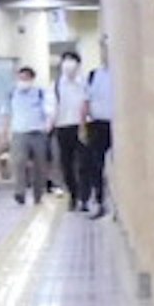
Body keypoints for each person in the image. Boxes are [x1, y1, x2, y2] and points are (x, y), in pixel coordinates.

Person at [75, 42, 114, 214]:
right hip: (98, 124)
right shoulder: (93, 75)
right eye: (103, 50)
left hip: (117, 124)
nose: (105, 54)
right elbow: (85, 102)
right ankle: (99, 200)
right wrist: (82, 126)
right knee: (95, 164)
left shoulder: (120, 74)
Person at [6, 63, 53, 202]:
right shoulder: (12, 93)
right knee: (18, 162)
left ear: (32, 79)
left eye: (26, 78)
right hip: (19, 133)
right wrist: (4, 132)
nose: (22, 81)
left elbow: (48, 112)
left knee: (40, 165)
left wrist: (47, 127)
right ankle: (19, 191)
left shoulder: (40, 93)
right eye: (20, 78)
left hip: (38, 133)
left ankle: (38, 194)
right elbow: (6, 113)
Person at [50, 47, 90, 212]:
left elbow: (88, 103)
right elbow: (51, 107)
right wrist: (50, 124)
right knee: (66, 164)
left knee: (83, 164)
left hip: (82, 126)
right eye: (65, 61)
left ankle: (85, 197)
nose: (68, 66)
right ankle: (74, 195)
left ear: (78, 65)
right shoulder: (56, 85)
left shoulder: (85, 83)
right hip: (63, 127)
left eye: (72, 61)